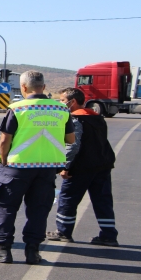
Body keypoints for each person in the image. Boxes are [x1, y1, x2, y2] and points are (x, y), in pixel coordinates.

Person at [0, 71, 75, 265]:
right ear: (43, 87)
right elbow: (70, 139)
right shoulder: (62, 109)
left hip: (17, 167)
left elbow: (4, 140)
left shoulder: (18, 108)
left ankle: (3, 250)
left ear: (24, 88)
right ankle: (33, 252)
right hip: (47, 168)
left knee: (5, 207)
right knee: (39, 210)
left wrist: (4, 159)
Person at [46, 88, 118, 246]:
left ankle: (63, 231)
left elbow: (73, 145)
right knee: (103, 200)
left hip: (82, 167)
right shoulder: (97, 117)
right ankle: (109, 235)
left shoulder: (75, 119)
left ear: (73, 102)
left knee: (68, 198)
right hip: (102, 165)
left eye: (63, 100)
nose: (61, 103)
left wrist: (64, 166)